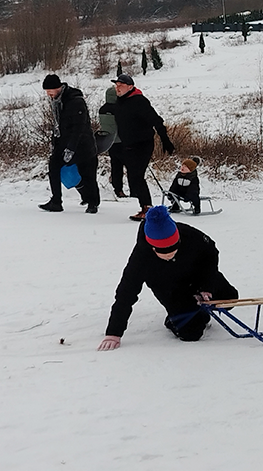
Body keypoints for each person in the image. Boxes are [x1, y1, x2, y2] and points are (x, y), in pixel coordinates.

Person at [98, 206, 239, 350]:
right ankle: (176, 318)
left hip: (196, 276)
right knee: (191, 333)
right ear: (152, 247)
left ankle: (197, 303)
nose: (169, 254)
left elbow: (211, 254)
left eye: (173, 248)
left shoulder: (190, 235)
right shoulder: (141, 258)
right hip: (169, 287)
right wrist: (113, 333)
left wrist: (206, 287)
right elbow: (126, 293)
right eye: (163, 251)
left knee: (229, 298)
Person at [101, 74, 175, 221]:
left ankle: (147, 209)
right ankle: (144, 207)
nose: (118, 88)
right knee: (133, 176)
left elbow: (156, 120)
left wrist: (165, 140)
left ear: (130, 87)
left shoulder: (139, 101)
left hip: (143, 144)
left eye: (121, 85)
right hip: (127, 144)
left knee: (136, 175)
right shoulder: (120, 102)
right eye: (116, 85)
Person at [39, 74, 100, 213]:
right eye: (46, 92)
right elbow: (58, 125)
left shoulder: (75, 101)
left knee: (87, 173)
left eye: (50, 91)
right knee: (53, 166)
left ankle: (93, 203)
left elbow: (79, 127)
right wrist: (55, 143)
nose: (48, 94)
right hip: (63, 142)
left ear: (58, 87)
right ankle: (56, 201)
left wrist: (71, 149)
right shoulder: (57, 101)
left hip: (83, 144)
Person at [100, 85, 127, 198]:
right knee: (130, 166)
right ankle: (134, 190)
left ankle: (117, 188)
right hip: (122, 141)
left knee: (116, 165)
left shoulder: (102, 109)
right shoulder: (120, 109)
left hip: (109, 141)